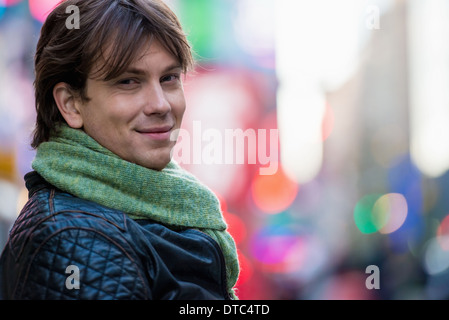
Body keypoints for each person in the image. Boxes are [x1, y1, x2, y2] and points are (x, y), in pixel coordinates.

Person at [0, 0, 239, 300]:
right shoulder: (74, 239)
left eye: (169, 78)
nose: (161, 104)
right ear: (71, 104)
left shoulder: (161, 203)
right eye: (128, 82)